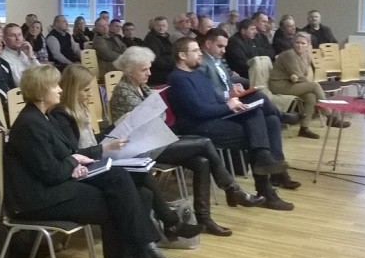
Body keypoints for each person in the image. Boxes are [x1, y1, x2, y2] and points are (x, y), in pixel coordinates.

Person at [5, 64, 181, 258]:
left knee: (128, 185)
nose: (60, 89)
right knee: (117, 205)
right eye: (55, 86)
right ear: (41, 91)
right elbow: (51, 173)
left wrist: (74, 160)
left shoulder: (43, 117)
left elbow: (67, 156)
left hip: (57, 185)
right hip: (39, 199)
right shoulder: (29, 124)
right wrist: (73, 162)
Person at [109, 49, 264, 231]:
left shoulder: (142, 87)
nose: (150, 73)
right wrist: (156, 115)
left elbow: (160, 115)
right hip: (139, 148)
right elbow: (149, 119)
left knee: (202, 162)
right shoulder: (123, 91)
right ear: (129, 70)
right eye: (144, 70)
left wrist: (156, 115)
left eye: (149, 68)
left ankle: (205, 220)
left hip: (156, 139)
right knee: (205, 142)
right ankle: (232, 189)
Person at [51, 65, 202, 242]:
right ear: (73, 90)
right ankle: (167, 227)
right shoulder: (61, 115)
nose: (90, 94)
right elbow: (73, 153)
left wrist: (116, 127)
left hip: (94, 160)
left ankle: (154, 238)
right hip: (83, 169)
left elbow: (92, 141)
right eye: (85, 90)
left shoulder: (80, 108)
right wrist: (106, 147)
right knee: (140, 175)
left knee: (144, 188)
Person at [166, 37, 294, 211]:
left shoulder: (198, 74)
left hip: (215, 118)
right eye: (195, 51)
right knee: (256, 134)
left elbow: (215, 99)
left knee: (269, 120)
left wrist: (232, 99)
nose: (200, 54)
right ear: (182, 55)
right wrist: (228, 106)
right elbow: (198, 111)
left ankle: (267, 165)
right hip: (199, 126)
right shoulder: (178, 78)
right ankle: (267, 187)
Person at [270, 32, 350, 139]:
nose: (300, 45)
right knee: (314, 86)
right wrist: (305, 83)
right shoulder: (289, 55)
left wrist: (298, 79)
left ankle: (304, 128)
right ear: (292, 43)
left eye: (303, 43)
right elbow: (300, 76)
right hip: (279, 85)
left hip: (292, 83)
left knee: (311, 97)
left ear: (308, 44)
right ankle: (330, 116)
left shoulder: (307, 56)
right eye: (297, 42)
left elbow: (301, 75)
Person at [143, 16, 173, 86]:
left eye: (163, 25)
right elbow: (155, 59)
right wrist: (173, 65)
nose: (161, 28)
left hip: (168, 70)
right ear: (154, 26)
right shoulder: (151, 39)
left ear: (167, 26)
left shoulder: (167, 38)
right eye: (158, 25)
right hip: (158, 74)